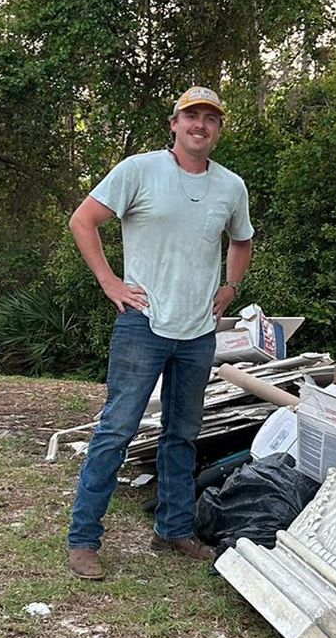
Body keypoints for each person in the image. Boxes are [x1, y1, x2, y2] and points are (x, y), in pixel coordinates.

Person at [65, 86, 255, 580]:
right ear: (174, 123)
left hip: (198, 331)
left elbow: (242, 240)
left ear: (217, 130)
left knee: (182, 435)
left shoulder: (231, 187)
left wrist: (230, 288)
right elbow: (83, 220)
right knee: (116, 430)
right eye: (191, 116)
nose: (200, 125)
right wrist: (110, 283)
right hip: (142, 325)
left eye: (210, 119)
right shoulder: (138, 170)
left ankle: (173, 528)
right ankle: (84, 539)